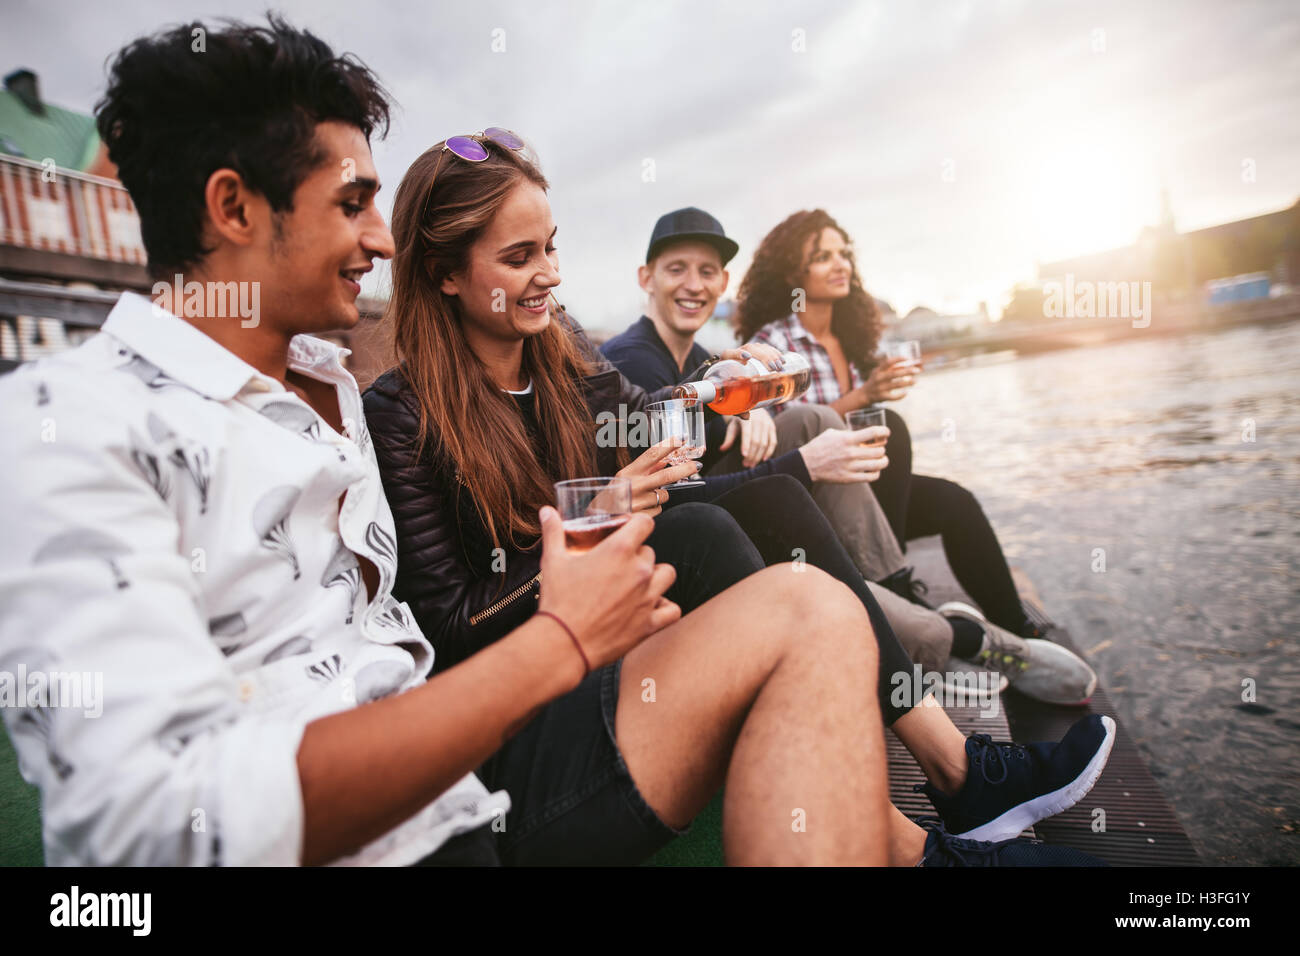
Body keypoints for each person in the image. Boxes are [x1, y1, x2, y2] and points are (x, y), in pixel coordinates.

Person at [0, 16, 917, 867]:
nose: (380, 240)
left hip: (472, 784)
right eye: (352, 203)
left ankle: (933, 826)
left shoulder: (326, 389)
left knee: (808, 603)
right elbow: (150, 823)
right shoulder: (70, 425)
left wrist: (692, 437)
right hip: (409, 831)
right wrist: (561, 637)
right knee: (783, 593)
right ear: (235, 210)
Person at [361, 129, 1115, 862]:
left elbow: (657, 416)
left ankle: (954, 769)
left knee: (759, 509)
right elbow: (449, 629)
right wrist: (595, 519)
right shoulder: (400, 414)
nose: (550, 275)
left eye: (551, 247)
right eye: (519, 257)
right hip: (531, 692)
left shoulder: (560, 352)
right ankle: (930, 816)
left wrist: (727, 389)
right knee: (709, 530)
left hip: (621, 626)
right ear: (444, 273)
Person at [600, 207, 1097, 703]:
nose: (694, 284)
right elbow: (673, 496)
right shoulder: (634, 361)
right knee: (818, 472)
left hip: (747, 500)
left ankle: (908, 599)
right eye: (676, 269)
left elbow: (718, 418)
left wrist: (744, 412)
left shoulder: (700, 358)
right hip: (694, 536)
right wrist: (801, 459)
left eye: (707, 271)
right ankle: (961, 640)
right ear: (646, 278)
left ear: (724, 280)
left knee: (831, 427)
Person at [736, 208, 1054, 641]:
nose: (840, 264)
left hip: (867, 482)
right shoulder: (773, 343)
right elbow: (784, 432)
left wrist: (880, 385)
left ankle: (1018, 630)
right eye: (823, 256)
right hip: (820, 496)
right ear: (793, 270)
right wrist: (867, 396)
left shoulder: (850, 337)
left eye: (843, 253)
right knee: (891, 427)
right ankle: (895, 589)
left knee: (955, 502)